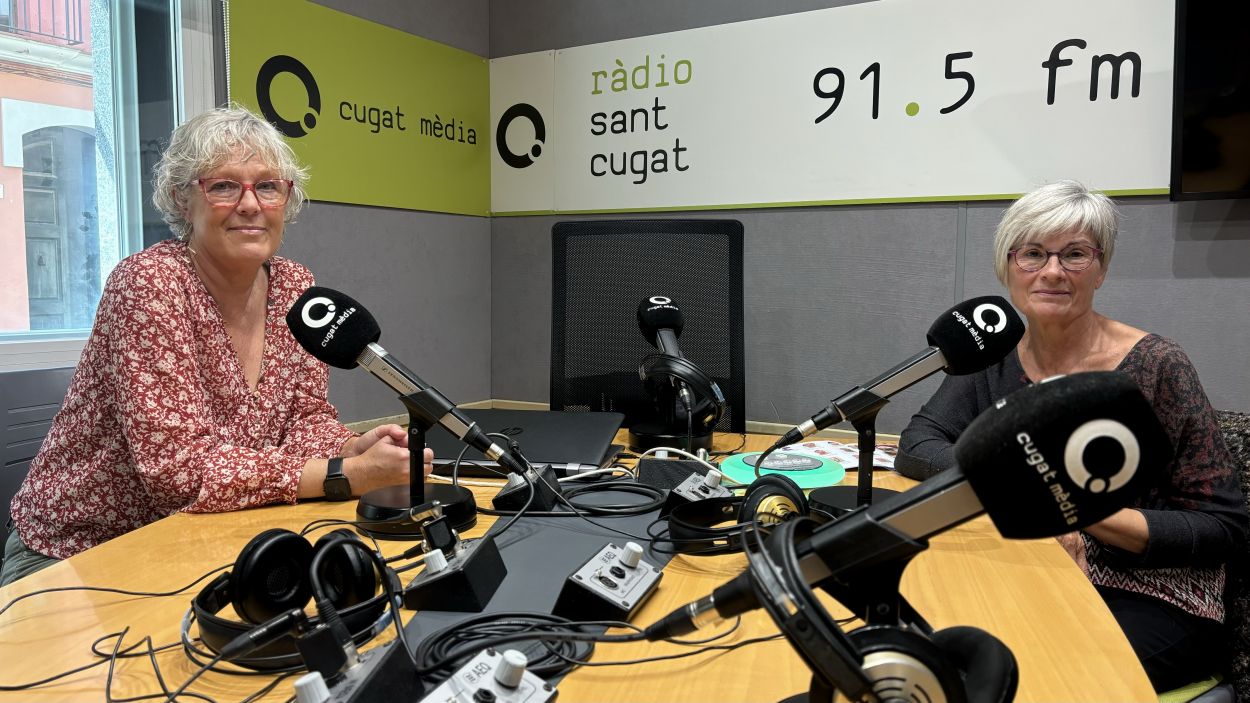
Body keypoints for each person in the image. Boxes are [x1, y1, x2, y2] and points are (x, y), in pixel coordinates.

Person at [2, 107, 431, 587]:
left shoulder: (295, 288)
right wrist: (345, 473)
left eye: (267, 186)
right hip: (77, 551)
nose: (250, 204)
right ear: (182, 200)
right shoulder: (149, 284)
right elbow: (179, 471)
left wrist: (351, 447)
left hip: (196, 536)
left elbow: (303, 420)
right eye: (224, 186)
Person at [894, 180, 1248, 690]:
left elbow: (1224, 527)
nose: (1053, 271)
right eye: (1033, 253)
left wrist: (1075, 512)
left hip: (1155, 595)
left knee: (1021, 676)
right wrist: (1029, 494)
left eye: (1076, 254)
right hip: (1033, 567)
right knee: (920, 648)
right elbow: (920, 443)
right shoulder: (996, 354)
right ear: (1008, 266)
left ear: (1101, 269)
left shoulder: (1157, 365)